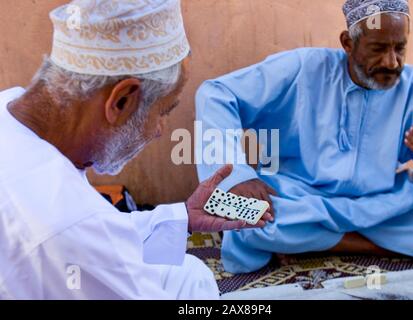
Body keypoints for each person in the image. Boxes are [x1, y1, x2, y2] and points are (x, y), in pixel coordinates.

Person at [0, 0, 272, 299]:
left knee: (187, 275)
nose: (159, 130)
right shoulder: (66, 225)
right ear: (121, 101)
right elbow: (81, 234)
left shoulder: (9, 109)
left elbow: (97, 234)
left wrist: (182, 215)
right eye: (164, 111)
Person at [196, 0, 413, 274]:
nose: (391, 62)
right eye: (378, 48)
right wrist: (238, 177)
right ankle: (381, 246)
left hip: (383, 204)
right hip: (298, 196)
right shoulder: (303, 67)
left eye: (399, 48)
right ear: (348, 43)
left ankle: (323, 241)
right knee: (238, 210)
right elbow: (216, 94)